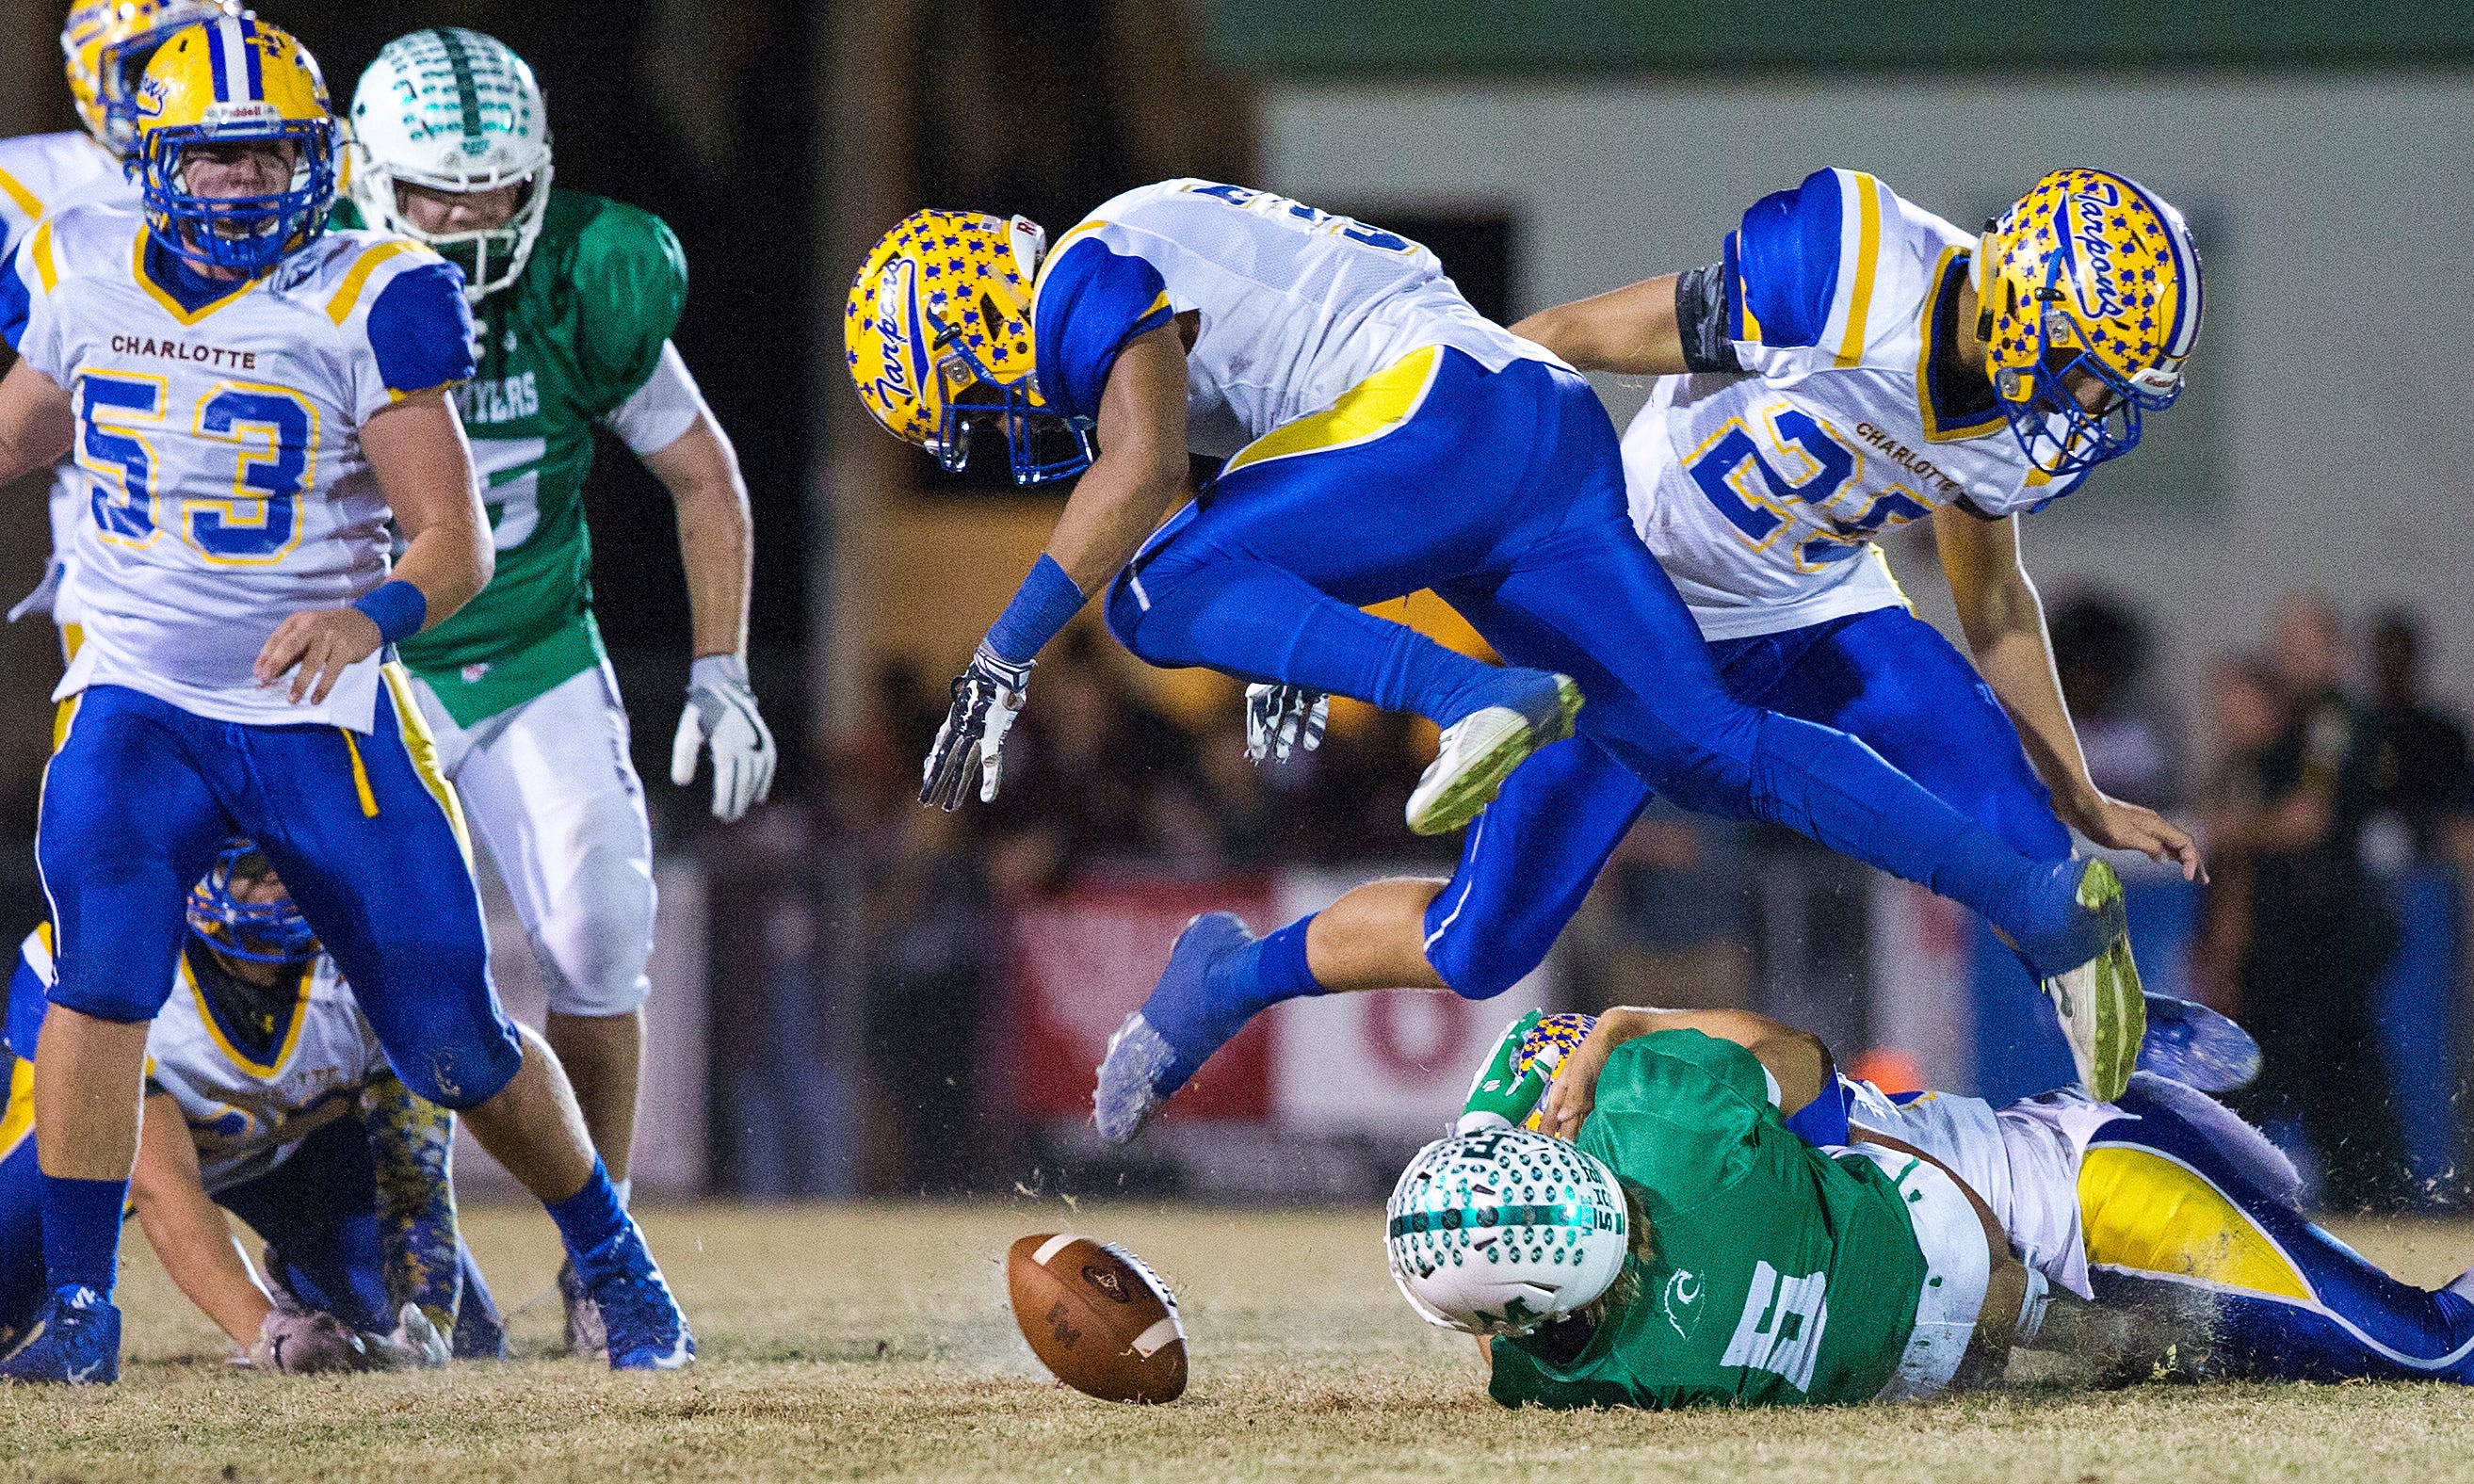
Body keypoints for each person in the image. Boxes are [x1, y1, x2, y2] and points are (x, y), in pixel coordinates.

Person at [843, 181, 2150, 1153]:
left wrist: (1001, 653)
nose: (998, 426)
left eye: (968, 395)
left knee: (1145, 590)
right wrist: (1307, 599)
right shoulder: (1165, 254)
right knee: (1491, 932)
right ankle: (1224, 975)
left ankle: (1477, 701)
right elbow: (1340, 399)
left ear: (973, 315)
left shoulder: (1083, 269)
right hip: (1544, 447)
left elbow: (1142, 474)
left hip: (1526, 463)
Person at [0, 16, 687, 1382]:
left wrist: (363, 616)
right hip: (137, 693)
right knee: (104, 978)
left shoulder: (376, 286)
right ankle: (81, 1313)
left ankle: (618, 1265)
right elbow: (26, 421)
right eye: (221, 156)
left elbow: (456, 541)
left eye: (275, 155)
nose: (251, 181)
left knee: (453, 1038)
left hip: (318, 710)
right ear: (150, 160)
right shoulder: (75, 263)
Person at [1237, 167, 2209, 1122]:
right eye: (2082, 366)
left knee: (2020, 826)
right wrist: (1324, 562)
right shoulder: (1855, 272)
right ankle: (1237, 972)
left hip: (1815, 606)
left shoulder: (2011, 427)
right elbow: (1554, 344)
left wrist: (2076, 793)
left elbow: (1992, 597)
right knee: (1476, 945)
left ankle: (2125, 1098)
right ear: (2018, 298)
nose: (2084, 403)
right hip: (1631, 614)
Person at [344, 26, 774, 1354]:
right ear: (369, 180)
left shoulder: (590, 274)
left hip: (533, 654)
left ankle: (605, 1253)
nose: (469, 224)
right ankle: (410, 1265)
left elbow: (701, 473)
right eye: (438, 195)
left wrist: (721, 669)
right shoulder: (318, 286)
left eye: (492, 191)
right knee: (378, 978)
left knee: (596, 935)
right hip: (373, 672)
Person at [1524, 1006, 2474, 1390]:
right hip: (2051, 1189)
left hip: (2095, 1190)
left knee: (2426, 1352)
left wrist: (1621, 1026)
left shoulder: (1716, 1148)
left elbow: (1960, 1241)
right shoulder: (1677, 1173)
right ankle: (2129, 1073)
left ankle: (2137, 1084)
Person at [1, 844, 503, 1371]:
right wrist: (268, 1331)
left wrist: (430, 1320)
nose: (278, 884)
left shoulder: (376, 962)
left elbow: (413, 1173)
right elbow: (160, 1181)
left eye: (286, 862)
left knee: (466, 1337)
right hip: (86, 1163)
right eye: (251, 869)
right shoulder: (107, 957)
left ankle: (306, 1275)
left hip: (280, 1157)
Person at [1388, 1010, 2033, 1406]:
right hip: (1950, 1234)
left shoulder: (1571, 1383)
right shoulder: (1654, 1119)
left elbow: (1500, 1334)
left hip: (1912, 1377)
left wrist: (1471, 1261)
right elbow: (1804, 1060)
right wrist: (1617, 1029)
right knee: (1810, 1131)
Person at [0, 0, 238, 653]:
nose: (184, 86)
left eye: (204, 56)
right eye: (151, 68)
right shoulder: (35, 183)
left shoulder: (293, 154)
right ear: (90, 77)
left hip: (295, 514)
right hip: (117, 530)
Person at [2216, 596, 2406, 1208]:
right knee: (2329, 1075)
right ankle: (2372, 1197)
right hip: (2293, 938)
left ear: (2330, 654)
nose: (2289, 661)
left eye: (2302, 649)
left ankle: (2376, 1196)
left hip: (2326, 933)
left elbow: (2308, 819)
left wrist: (2231, 828)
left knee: (2306, 1069)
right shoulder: (2287, 733)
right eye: (2284, 648)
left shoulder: (2329, 723)